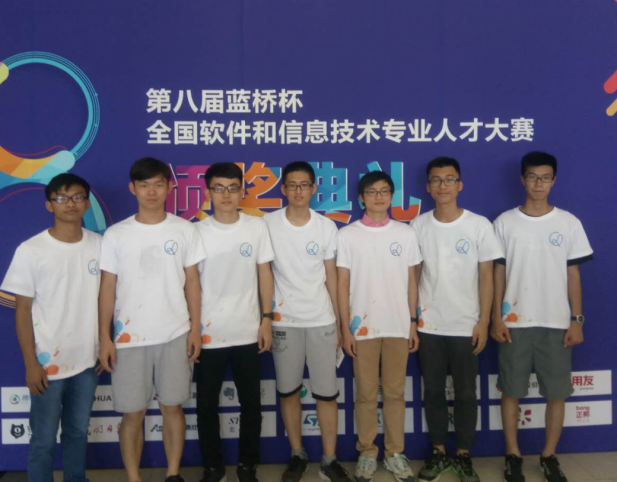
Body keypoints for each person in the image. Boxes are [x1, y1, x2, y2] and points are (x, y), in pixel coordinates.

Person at [98, 157, 205, 482]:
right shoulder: (116, 235)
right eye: (144, 185)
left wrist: (195, 329)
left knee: (173, 408)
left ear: (170, 187)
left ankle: (173, 474)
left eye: (159, 184)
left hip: (175, 333)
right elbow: (107, 288)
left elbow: (192, 282)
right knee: (133, 414)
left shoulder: (184, 229)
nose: (152, 191)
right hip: (129, 338)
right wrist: (105, 337)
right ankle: (134, 477)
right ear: (133, 188)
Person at [491, 151, 593, 482]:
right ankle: (513, 455)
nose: (539, 183)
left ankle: (549, 456)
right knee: (511, 391)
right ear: (523, 180)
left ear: (553, 181)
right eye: (533, 177)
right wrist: (496, 317)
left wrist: (577, 319)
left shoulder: (568, 223)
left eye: (545, 177)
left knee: (556, 393)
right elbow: (497, 274)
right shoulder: (504, 222)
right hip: (514, 322)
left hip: (556, 323)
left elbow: (573, 273)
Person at [1, 173, 102, 481]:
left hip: (88, 361)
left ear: (87, 203)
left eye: (78, 197)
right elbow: (22, 312)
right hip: (47, 364)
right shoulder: (31, 250)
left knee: (77, 432)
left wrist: (104, 344)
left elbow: (108, 301)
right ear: (49, 205)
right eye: (62, 198)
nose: (70, 204)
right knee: (43, 439)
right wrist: (31, 363)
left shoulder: (100, 245)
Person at [411, 157, 503, 482]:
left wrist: (483, 322)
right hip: (429, 325)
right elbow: (413, 276)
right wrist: (412, 320)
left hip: (467, 325)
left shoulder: (479, 226)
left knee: (465, 393)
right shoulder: (418, 226)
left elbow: (487, 277)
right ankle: (438, 452)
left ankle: (463, 455)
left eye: (449, 179)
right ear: (428, 187)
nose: (443, 185)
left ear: (460, 185)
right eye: (436, 180)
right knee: (433, 391)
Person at [264, 161, 351, 482]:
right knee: (288, 392)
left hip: (321, 321)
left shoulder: (326, 227)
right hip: (283, 322)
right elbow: (262, 274)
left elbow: (332, 277)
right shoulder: (267, 224)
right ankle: (297, 455)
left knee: (326, 394)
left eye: (304, 185)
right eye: (292, 185)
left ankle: (329, 460)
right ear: (283, 189)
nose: (298, 191)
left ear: (314, 188)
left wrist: (341, 324)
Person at [337, 171, 422, 482]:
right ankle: (367, 452)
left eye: (385, 191)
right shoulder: (347, 235)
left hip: (398, 326)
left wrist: (412, 322)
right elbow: (342, 284)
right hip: (362, 329)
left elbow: (412, 282)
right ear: (361, 198)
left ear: (391, 196)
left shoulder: (405, 233)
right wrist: (345, 328)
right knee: (365, 394)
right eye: (372, 192)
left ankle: (395, 453)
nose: (379, 196)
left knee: (396, 393)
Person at [195, 162, 274, 482]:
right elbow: (190, 284)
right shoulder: (196, 232)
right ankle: (213, 467)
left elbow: (264, 273)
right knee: (205, 406)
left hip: (248, 332)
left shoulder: (256, 227)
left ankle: (247, 465)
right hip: (208, 334)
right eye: (218, 188)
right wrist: (193, 329)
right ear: (208, 192)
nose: (225, 195)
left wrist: (266, 319)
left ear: (242, 191)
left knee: (251, 404)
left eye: (232, 188)